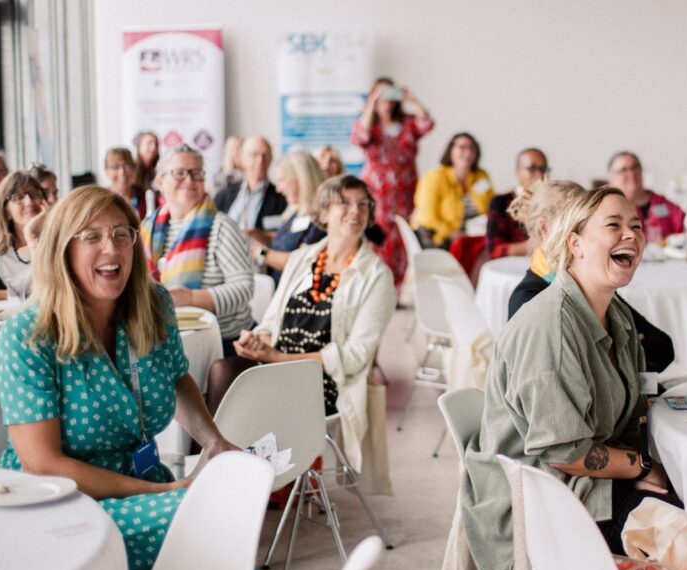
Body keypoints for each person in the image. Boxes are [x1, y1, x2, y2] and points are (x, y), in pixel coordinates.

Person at [0, 186, 243, 570]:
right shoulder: (28, 336)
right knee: (202, 522)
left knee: (220, 525)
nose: (111, 249)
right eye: (91, 236)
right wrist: (161, 493)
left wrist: (213, 441)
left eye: (121, 234)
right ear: (63, 248)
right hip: (62, 504)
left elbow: (177, 377)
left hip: (146, 484)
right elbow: (43, 464)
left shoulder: (154, 305)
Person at [459, 186, 680, 570]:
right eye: (614, 225)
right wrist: (640, 465)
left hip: (587, 481)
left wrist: (642, 460)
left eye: (636, 226)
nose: (632, 235)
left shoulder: (616, 315)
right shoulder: (551, 327)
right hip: (545, 502)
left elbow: (630, 406)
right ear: (575, 243)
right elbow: (564, 452)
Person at [206, 176, 395, 457]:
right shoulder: (302, 259)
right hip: (275, 366)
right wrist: (258, 340)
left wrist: (279, 359)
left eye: (363, 205)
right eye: (344, 203)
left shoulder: (377, 276)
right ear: (324, 213)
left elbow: (354, 357)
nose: (355, 211)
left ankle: (250, 475)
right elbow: (271, 321)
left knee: (245, 398)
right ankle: (212, 472)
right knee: (221, 372)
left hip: (325, 382)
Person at [507, 180, 674, 374]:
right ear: (545, 229)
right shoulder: (530, 302)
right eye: (573, 223)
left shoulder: (592, 288)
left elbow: (661, 348)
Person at [140, 144, 254, 355]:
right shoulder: (146, 227)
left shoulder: (221, 227)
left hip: (223, 343)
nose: (189, 180)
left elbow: (244, 288)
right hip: (167, 339)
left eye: (196, 173)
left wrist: (191, 298)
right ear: (159, 181)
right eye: (180, 173)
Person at [351, 77, 434, 287]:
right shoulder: (370, 125)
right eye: (382, 95)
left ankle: (396, 286)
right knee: (378, 238)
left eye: (390, 94)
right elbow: (360, 137)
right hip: (376, 195)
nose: (386, 100)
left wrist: (412, 98)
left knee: (402, 240)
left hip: (404, 193)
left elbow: (427, 123)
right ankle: (378, 284)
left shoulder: (407, 123)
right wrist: (372, 103)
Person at [247, 150, 326, 283]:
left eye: (282, 180)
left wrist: (260, 253)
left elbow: (301, 262)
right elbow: (290, 241)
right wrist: (260, 235)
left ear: (302, 179)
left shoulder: (321, 220)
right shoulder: (296, 213)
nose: (278, 188)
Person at [413, 132, 495, 249]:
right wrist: (452, 233)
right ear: (450, 150)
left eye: (472, 148)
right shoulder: (433, 178)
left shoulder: (481, 176)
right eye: (462, 147)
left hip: (474, 233)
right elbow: (427, 217)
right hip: (441, 237)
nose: (468, 152)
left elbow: (490, 205)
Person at [213, 135, 287, 232]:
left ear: (271, 159)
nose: (260, 160)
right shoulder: (223, 195)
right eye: (254, 155)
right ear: (242, 158)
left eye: (265, 155)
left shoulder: (282, 198)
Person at [485, 147, 547, 259]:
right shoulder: (501, 202)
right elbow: (494, 250)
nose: (539, 175)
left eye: (543, 169)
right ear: (517, 172)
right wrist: (532, 246)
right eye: (531, 169)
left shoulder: (553, 202)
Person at [608, 151, 684, 240]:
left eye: (635, 167)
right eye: (623, 170)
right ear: (611, 179)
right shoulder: (607, 211)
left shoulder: (662, 204)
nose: (631, 174)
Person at [0, 172, 46, 300]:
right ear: (6, 210)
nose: (29, 202)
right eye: (19, 197)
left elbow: (51, 292)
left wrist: (30, 232)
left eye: (34, 195)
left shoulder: (58, 244)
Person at [105, 147, 155, 219]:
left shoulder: (145, 196)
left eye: (127, 166)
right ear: (106, 170)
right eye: (115, 167)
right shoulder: (101, 200)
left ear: (134, 168)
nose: (122, 172)